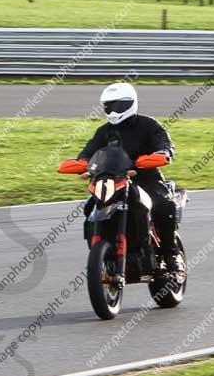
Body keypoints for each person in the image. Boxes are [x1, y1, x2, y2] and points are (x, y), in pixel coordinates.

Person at [77, 82, 182, 272]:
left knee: (164, 204)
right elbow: (88, 152)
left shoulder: (148, 125)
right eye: (108, 106)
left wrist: (163, 153)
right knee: (90, 207)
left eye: (117, 105)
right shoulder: (104, 131)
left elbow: (165, 144)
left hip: (146, 178)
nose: (112, 110)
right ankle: (103, 252)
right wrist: (81, 162)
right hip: (112, 180)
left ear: (130, 104)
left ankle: (170, 254)